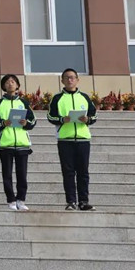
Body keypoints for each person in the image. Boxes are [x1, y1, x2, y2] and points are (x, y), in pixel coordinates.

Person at [47, 68, 97, 211]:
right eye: (67, 78)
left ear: (77, 80)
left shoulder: (85, 97)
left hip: (83, 139)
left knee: (83, 172)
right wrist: (62, 119)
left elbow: (94, 115)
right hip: (65, 139)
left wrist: (88, 119)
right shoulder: (57, 98)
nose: (70, 80)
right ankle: (71, 201)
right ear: (62, 80)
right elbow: (50, 116)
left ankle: (83, 201)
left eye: (72, 77)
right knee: (68, 172)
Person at [0, 74, 36, 211]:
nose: (10, 84)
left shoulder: (24, 103)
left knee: (22, 174)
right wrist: (3, 123)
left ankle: (21, 200)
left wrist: (26, 123)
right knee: (7, 175)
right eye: (7, 82)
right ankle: (10, 200)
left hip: (22, 143)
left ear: (17, 86)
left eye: (13, 82)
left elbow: (33, 121)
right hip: (6, 143)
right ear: (3, 86)